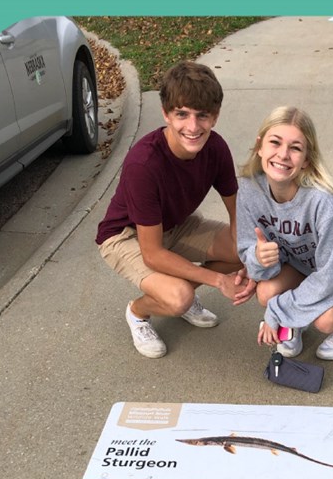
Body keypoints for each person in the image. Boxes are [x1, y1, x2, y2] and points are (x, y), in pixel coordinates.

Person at [96, 61, 254, 358]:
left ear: (215, 117)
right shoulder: (143, 164)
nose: (193, 127)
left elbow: (238, 211)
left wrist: (250, 256)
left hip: (178, 224)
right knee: (178, 296)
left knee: (243, 249)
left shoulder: (216, 148)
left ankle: (181, 292)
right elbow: (152, 253)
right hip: (125, 236)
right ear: (166, 113)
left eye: (202, 115)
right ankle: (138, 313)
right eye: (182, 114)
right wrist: (219, 280)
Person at [236, 106, 333, 360]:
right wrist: (258, 259)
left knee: (325, 321)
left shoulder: (323, 203)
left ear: (306, 160)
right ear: (260, 146)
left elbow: (331, 278)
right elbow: (250, 256)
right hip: (302, 265)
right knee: (266, 293)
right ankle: (296, 322)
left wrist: (278, 312)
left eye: (295, 148)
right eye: (275, 143)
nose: (283, 155)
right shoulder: (248, 189)